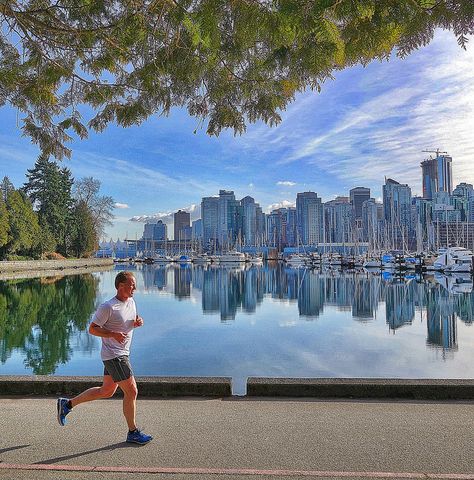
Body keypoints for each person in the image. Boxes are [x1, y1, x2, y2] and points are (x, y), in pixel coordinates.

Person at [56, 271, 153, 445]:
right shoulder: (107, 307)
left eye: (134, 285)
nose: (134, 288)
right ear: (121, 286)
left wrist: (136, 322)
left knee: (106, 391)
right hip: (115, 356)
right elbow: (92, 329)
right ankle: (133, 432)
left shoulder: (131, 302)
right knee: (132, 391)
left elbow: (125, 323)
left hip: (120, 353)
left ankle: (67, 405)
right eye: (132, 284)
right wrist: (112, 334)